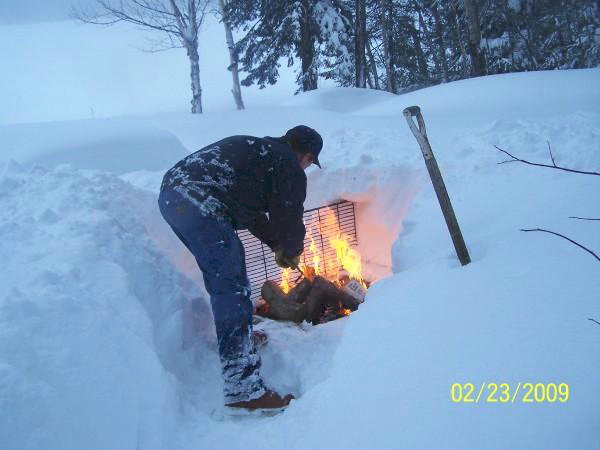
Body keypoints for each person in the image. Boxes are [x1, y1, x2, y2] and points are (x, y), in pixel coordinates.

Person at [158, 125, 323, 410]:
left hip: (173, 197)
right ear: (306, 155)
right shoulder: (287, 164)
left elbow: (253, 216)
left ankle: (240, 342)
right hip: (200, 202)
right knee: (231, 286)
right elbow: (289, 213)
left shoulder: (259, 153)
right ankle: (243, 387)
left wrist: (275, 245)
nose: (307, 168)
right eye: (310, 162)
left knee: (228, 274)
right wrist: (292, 249)